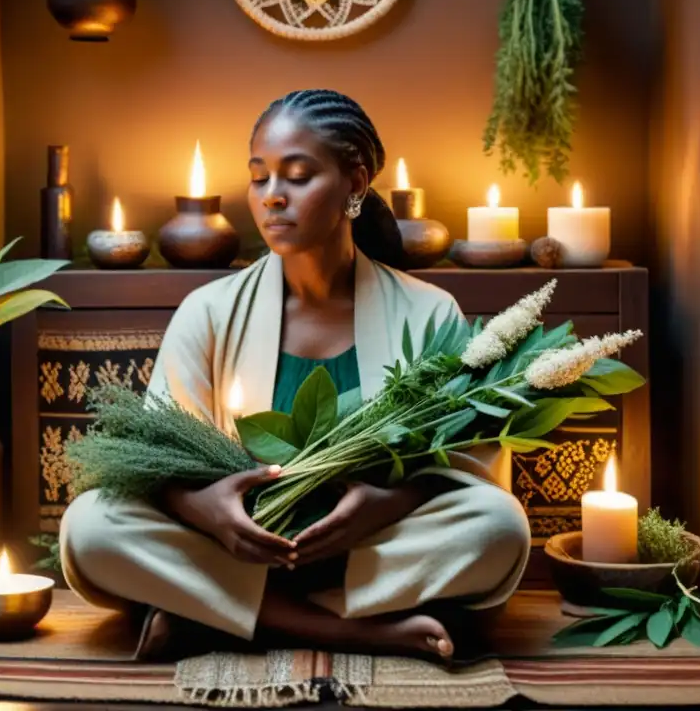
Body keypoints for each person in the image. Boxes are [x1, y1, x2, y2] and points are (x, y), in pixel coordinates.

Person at [60, 89, 531, 662]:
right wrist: (205, 509)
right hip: (232, 545)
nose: (272, 198)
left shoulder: (429, 312)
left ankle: (214, 615)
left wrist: (382, 506)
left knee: (499, 526)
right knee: (91, 526)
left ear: (355, 183)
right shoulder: (209, 311)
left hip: (368, 546)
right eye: (259, 178)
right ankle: (350, 630)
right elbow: (153, 459)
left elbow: (472, 467)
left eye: (298, 176)